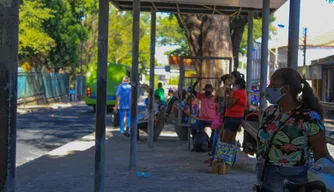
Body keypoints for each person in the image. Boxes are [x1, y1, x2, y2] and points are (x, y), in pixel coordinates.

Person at [256, 68, 334, 192]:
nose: (268, 88)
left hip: (295, 182)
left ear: (286, 89)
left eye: (273, 85)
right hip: (266, 176)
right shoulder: (270, 112)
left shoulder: (310, 118)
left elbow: (322, 154)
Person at [191, 80, 216, 150]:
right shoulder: (202, 96)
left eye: (209, 89)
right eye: (206, 89)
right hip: (201, 120)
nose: (207, 91)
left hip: (211, 120)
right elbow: (193, 91)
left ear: (211, 90)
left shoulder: (214, 99)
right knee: (193, 127)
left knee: (215, 131)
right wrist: (196, 82)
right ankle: (195, 143)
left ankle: (210, 146)